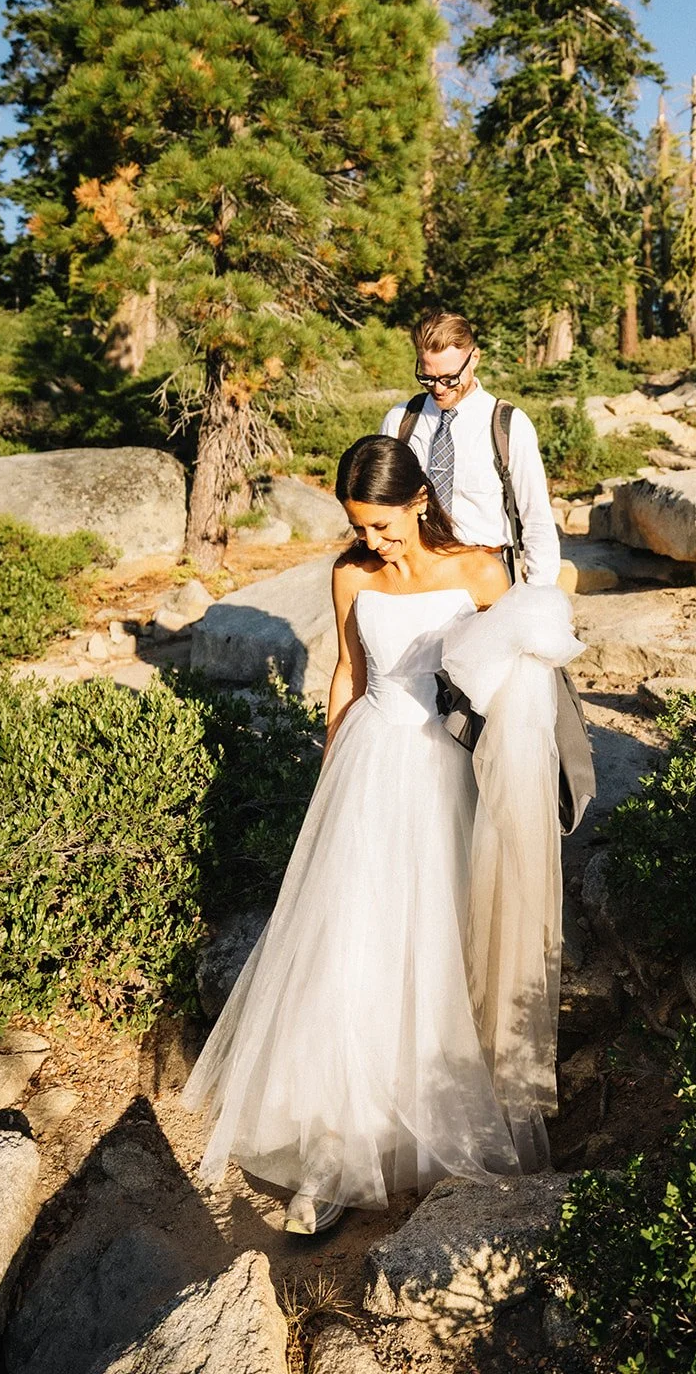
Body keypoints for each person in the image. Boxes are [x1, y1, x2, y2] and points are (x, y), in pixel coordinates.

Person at [182, 435, 582, 1234]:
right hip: (368, 764)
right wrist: (332, 767)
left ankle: (432, 1116)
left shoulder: (477, 571)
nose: (373, 540)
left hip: (443, 772)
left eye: (384, 525)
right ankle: (336, 1150)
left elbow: (514, 678)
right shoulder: (349, 574)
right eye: (359, 526)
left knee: (434, 940)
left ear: (419, 501)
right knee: (351, 940)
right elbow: (348, 674)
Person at [380, 311, 561, 587]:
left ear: (474, 358)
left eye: (450, 378)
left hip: (486, 573)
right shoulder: (400, 421)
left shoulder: (509, 424)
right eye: (428, 378)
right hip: (414, 575)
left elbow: (536, 518)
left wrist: (540, 595)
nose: (439, 389)